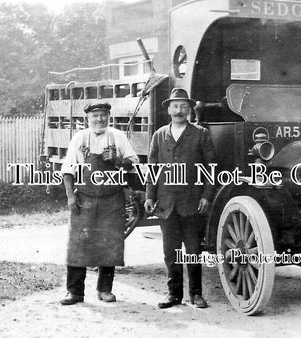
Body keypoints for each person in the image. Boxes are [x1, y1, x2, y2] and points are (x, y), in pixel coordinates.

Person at [60, 102, 139, 305]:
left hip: (112, 199)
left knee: (110, 242)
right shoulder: (79, 138)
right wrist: (70, 196)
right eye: (95, 116)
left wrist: (118, 160)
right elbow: (67, 170)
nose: (99, 119)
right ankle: (75, 292)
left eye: (103, 115)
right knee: (78, 243)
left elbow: (134, 162)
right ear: (88, 118)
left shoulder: (118, 137)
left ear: (109, 116)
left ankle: (105, 290)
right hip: (84, 198)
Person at [144, 88, 216, 309]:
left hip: (191, 203)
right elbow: (152, 169)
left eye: (183, 106)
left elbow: (210, 168)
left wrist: (206, 196)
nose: (179, 110)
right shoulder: (159, 135)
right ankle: (174, 295)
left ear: (189, 109)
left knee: (193, 251)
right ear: (168, 109)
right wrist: (149, 196)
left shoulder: (200, 134)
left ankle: (196, 295)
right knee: (171, 251)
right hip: (166, 204)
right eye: (175, 106)